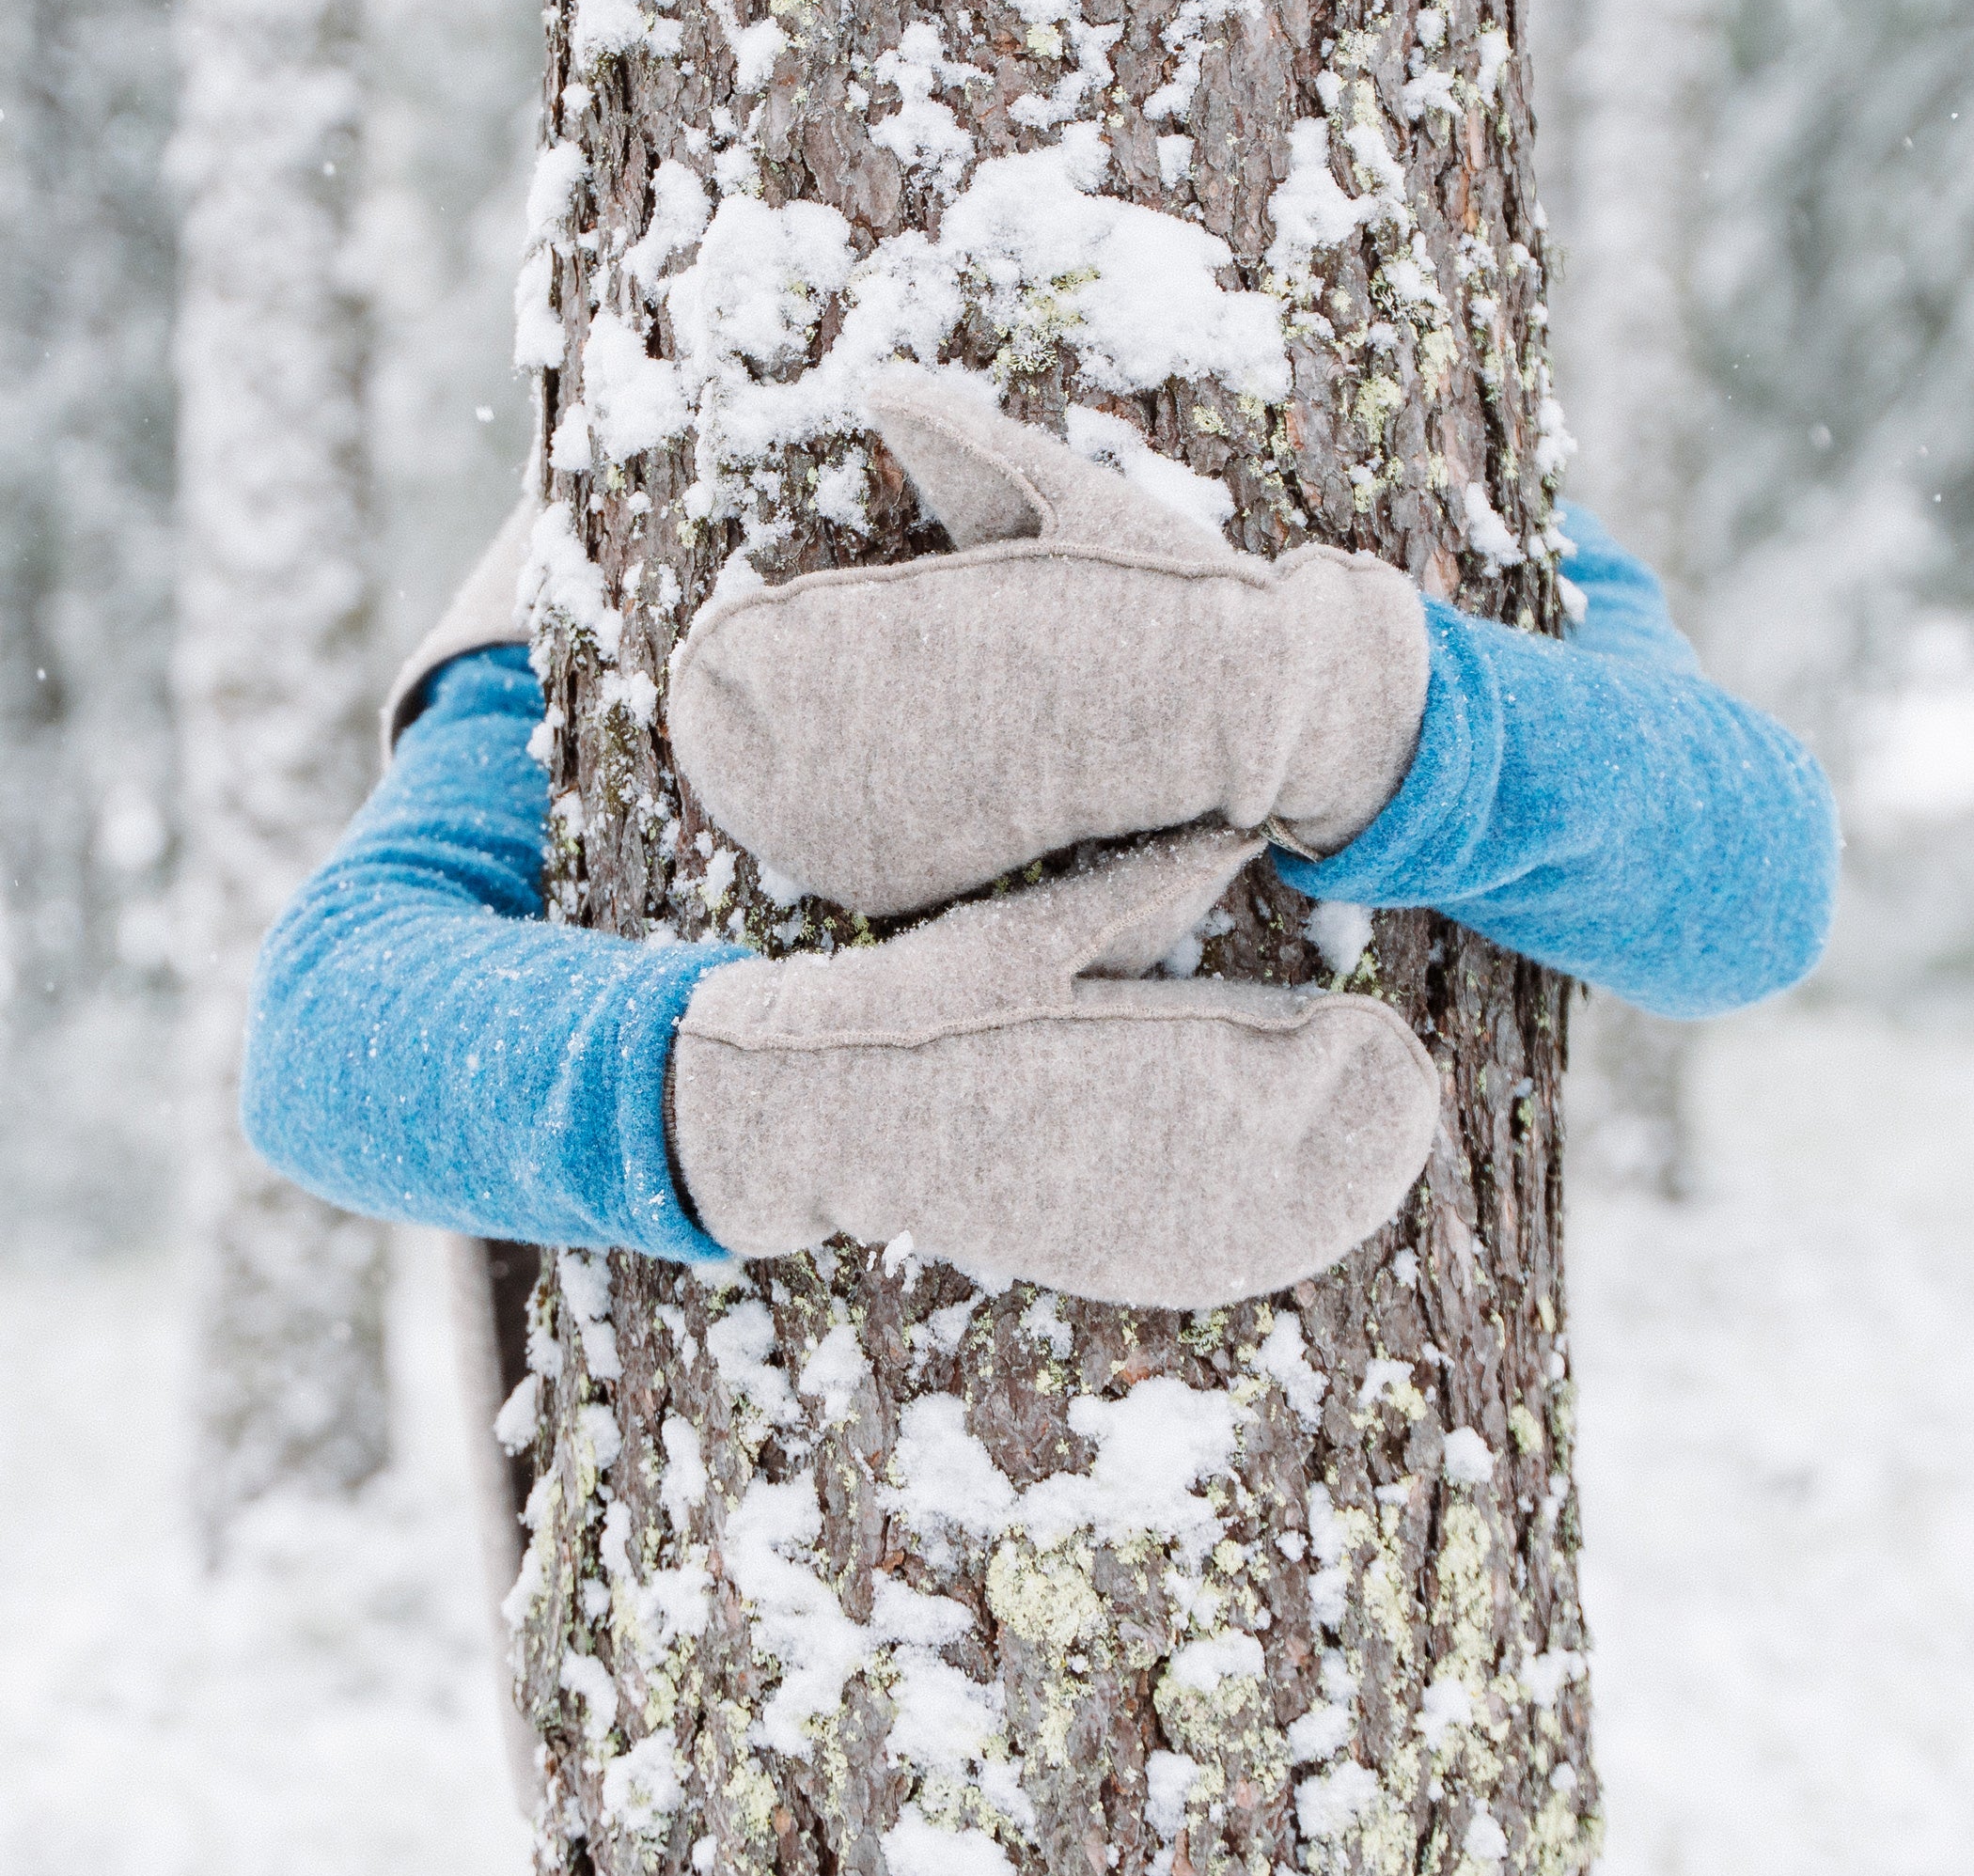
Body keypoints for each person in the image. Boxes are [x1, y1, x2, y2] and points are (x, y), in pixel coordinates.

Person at [242, 371, 1838, 1308]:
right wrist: (812, 1098)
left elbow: (1758, 885)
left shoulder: (1456, 461)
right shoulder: (587, 552)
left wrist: (1306, 696)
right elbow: (321, 1033)